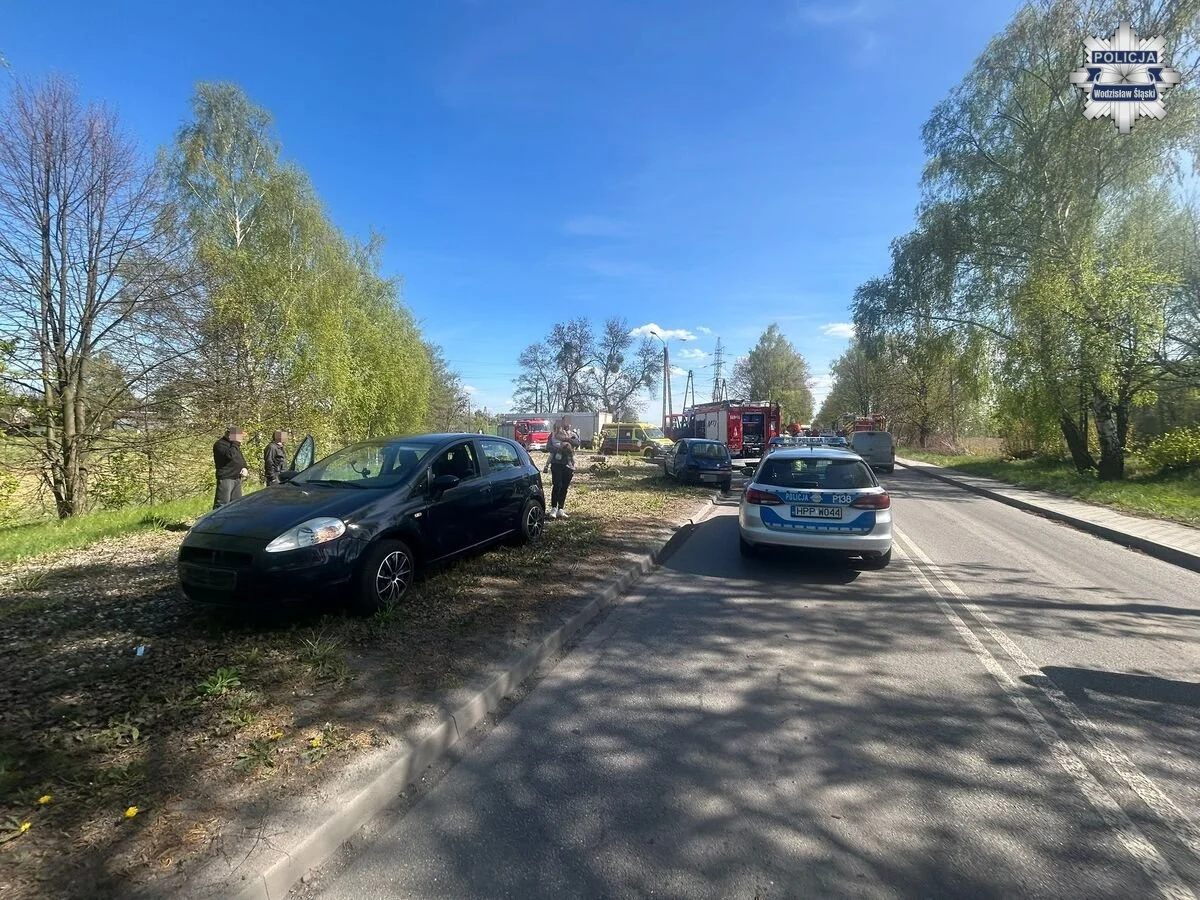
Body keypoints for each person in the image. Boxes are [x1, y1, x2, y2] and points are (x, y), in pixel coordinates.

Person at [547, 416, 579, 519]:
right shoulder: (553, 435)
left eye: (568, 422)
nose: (567, 424)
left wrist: (567, 441)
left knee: (565, 486)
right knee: (557, 485)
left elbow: (577, 443)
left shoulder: (573, 434)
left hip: (568, 465)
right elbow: (548, 447)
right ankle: (553, 508)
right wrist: (559, 448)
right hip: (556, 463)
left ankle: (561, 508)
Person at [213, 426, 250, 509]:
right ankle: (217, 521)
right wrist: (236, 442)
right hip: (226, 477)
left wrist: (244, 467)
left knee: (236, 503)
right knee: (222, 503)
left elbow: (240, 457)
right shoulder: (220, 444)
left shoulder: (233, 445)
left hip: (236, 477)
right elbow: (230, 455)